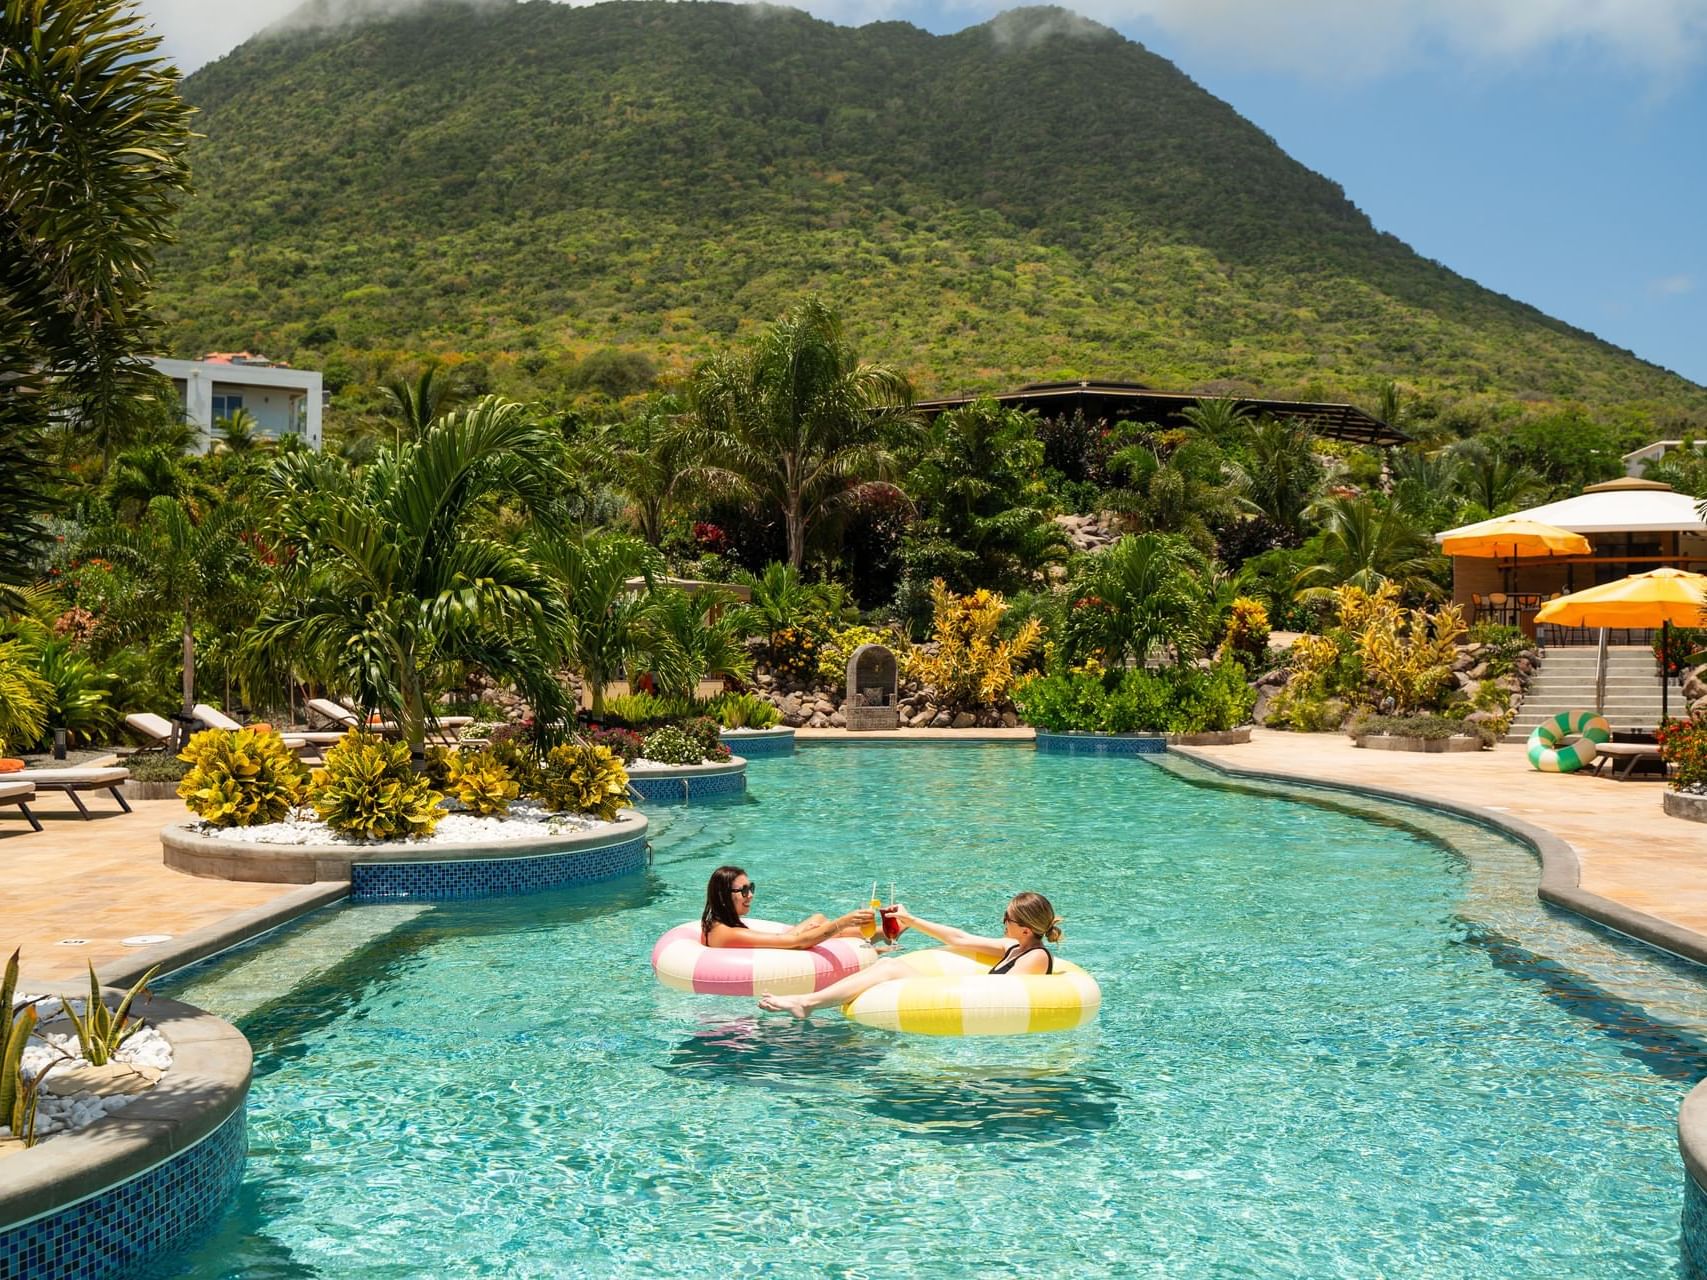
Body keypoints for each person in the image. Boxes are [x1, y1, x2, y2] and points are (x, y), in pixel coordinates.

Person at [758, 891, 1063, 1019]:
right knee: (891, 964)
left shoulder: (1035, 957)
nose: (1002, 922)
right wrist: (911, 920)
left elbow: (1005, 998)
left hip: (971, 1004)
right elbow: (959, 937)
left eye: (1006, 918)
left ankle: (807, 1002)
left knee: (890, 966)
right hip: (964, 994)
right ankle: (811, 1001)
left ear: (1025, 929)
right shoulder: (1015, 947)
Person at [700, 865, 874, 949]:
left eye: (751, 887)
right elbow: (796, 943)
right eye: (744, 890)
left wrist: (806, 933)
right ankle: (882, 935)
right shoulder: (729, 933)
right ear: (723, 896)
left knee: (818, 919)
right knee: (818, 927)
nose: (751, 895)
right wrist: (842, 922)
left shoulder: (716, 924)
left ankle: (881, 934)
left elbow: (784, 939)